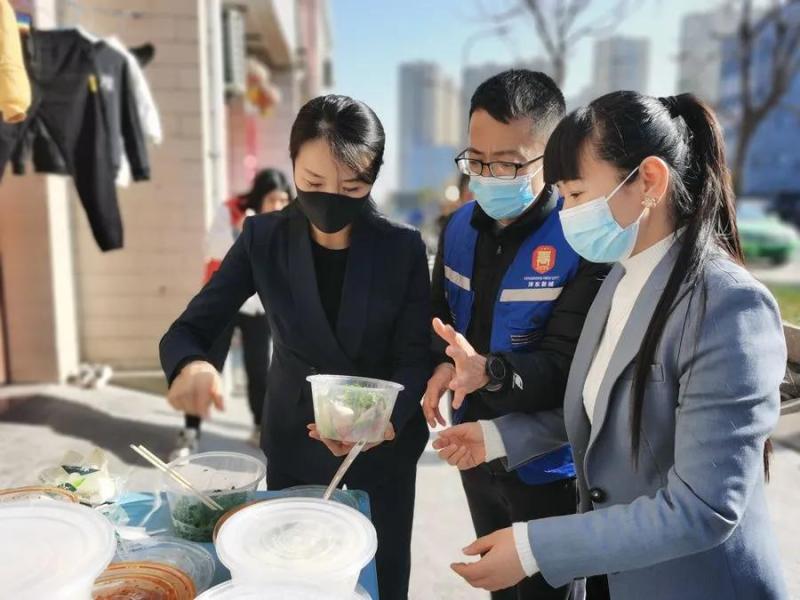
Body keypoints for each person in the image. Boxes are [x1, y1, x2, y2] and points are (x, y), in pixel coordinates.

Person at [434, 92, 789, 600]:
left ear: (649, 181)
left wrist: (535, 549)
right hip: (618, 577)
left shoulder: (726, 306)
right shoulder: (621, 277)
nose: (566, 214)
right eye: (562, 195)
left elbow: (704, 508)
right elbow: (603, 415)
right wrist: (498, 437)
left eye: (576, 194)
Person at [159, 94, 431, 599]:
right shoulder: (263, 238)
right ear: (292, 166)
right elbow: (191, 328)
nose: (331, 200)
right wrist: (192, 365)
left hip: (381, 455)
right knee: (292, 582)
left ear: (373, 177)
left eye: (352, 187)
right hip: (295, 446)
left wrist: (386, 420)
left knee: (382, 581)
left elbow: (416, 354)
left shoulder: (402, 247)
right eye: (314, 182)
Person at [423, 69, 609, 600]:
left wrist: (490, 372)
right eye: (476, 160)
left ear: (551, 156)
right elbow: (441, 314)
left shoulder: (581, 239)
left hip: (548, 466)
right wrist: (443, 363)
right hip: (474, 452)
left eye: (507, 163)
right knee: (497, 585)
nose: (488, 176)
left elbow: (570, 368)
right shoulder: (458, 228)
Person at [170, 168, 292, 458]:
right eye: (272, 199)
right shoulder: (230, 210)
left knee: (258, 369)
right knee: (207, 365)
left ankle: (260, 427)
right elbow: (212, 249)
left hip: (258, 306)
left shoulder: (288, 224)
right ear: (259, 197)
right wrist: (242, 229)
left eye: (283, 200)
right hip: (224, 302)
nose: (278, 205)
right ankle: (190, 432)